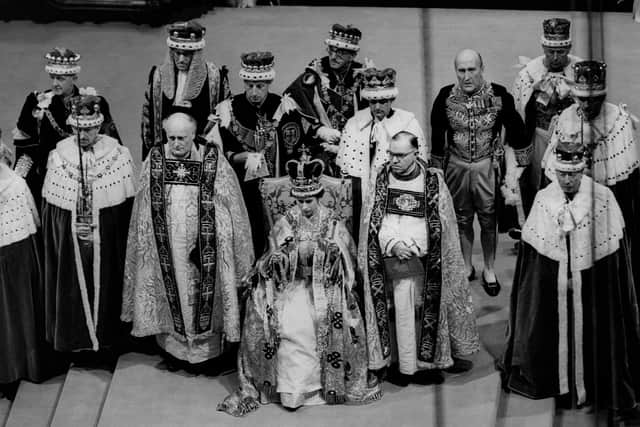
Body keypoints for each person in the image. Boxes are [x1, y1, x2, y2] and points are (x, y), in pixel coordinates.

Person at [218, 157, 381, 416]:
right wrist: (282, 258)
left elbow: (348, 260)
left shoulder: (332, 222)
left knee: (316, 322)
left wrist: (330, 255)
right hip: (290, 285)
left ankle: (320, 386)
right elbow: (270, 256)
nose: (304, 207)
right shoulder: (287, 221)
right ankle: (285, 388)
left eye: (309, 201)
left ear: (319, 197)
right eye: (300, 201)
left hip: (325, 287)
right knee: (276, 318)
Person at [499, 140, 640, 423]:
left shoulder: (602, 199)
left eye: (573, 173)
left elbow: (614, 262)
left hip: (594, 288)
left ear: (583, 170)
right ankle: (559, 384)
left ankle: (597, 383)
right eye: (562, 173)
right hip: (555, 289)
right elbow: (534, 265)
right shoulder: (544, 199)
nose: (567, 179)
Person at [123, 112, 253, 375]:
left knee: (205, 298)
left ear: (194, 135)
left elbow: (233, 207)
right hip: (168, 249)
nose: (176, 143)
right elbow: (143, 205)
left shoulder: (213, 159)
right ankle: (177, 353)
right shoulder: (156, 159)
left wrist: (218, 235)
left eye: (182, 138)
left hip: (207, 249)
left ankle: (207, 357)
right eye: (171, 137)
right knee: (176, 296)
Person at [359, 131, 479, 387]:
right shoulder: (381, 179)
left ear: (416, 153)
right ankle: (401, 366)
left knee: (421, 313)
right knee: (399, 314)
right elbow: (375, 221)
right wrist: (393, 243)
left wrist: (412, 245)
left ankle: (427, 366)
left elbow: (440, 225)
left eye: (401, 155)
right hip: (391, 261)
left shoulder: (432, 181)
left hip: (425, 262)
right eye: (391, 154)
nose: (394, 160)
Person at [42, 94, 135, 363]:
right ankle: (77, 342)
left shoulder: (119, 154)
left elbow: (125, 215)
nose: (83, 135)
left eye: (90, 129)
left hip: (106, 242)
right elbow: (54, 215)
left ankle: (107, 341)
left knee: (108, 284)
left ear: (100, 126)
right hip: (74, 243)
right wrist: (71, 229)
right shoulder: (58, 157)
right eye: (78, 129)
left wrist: (103, 226)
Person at [430, 49, 528, 296]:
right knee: (461, 218)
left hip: (487, 166)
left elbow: (516, 126)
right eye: (461, 70)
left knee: (488, 219)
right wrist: (437, 171)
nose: (466, 76)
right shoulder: (445, 96)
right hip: (456, 166)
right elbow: (437, 132)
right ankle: (466, 265)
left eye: (471, 69)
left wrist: (521, 164)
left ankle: (490, 268)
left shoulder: (499, 95)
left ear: (481, 69)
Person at [542, 60, 640, 299]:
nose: (586, 105)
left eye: (593, 99)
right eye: (581, 99)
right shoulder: (566, 117)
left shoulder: (618, 121)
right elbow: (551, 174)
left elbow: (627, 186)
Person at [208, 51, 304, 255]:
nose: (254, 92)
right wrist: (237, 157)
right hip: (242, 190)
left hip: (278, 188)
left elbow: (296, 150)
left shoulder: (283, 107)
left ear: (269, 83)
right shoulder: (228, 109)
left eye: (259, 87)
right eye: (249, 86)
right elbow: (215, 151)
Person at [13, 47, 120, 208]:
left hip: (86, 171)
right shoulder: (39, 104)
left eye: (61, 79)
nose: (55, 83)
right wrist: (19, 178)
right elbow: (27, 146)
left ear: (74, 77)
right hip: (51, 174)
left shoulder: (92, 102)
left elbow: (109, 139)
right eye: (53, 78)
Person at [510, 18, 581, 230]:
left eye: (560, 52)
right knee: (536, 182)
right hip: (540, 136)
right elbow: (519, 109)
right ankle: (536, 228)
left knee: (567, 181)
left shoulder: (580, 70)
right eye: (550, 52)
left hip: (571, 139)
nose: (556, 57)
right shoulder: (529, 73)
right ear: (543, 47)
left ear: (568, 47)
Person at [337, 67, 428, 234]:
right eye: (373, 102)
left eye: (383, 101)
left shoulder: (407, 122)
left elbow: (419, 167)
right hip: (360, 197)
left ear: (391, 99)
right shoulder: (354, 123)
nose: (377, 106)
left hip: (395, 196)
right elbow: (346, 171)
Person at [285, 23, 371, 176]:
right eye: (331, 50)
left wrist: (351, 140)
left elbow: (375, 115)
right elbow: (291, 101)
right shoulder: (315, 73)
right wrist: (318, 129)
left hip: (356, 148)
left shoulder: (363, 77)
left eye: (341, 53)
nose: (333, 56)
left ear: (352, 55)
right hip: (320, 147)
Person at [141, 20, 231, 160]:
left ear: (196, 53)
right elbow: (148, 119)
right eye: (177, 53)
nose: (181, 59)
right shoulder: (158, 76)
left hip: (201, 152)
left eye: (187, 54)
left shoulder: (215, 78)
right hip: (166, 150)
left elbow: (225, 120)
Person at [0, 140, 46, 399]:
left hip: (15, 251)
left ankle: (17, 367)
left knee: (16, 310)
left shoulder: (16, 185)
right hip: (15, 250)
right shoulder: (16, 182)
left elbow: (32, 221)